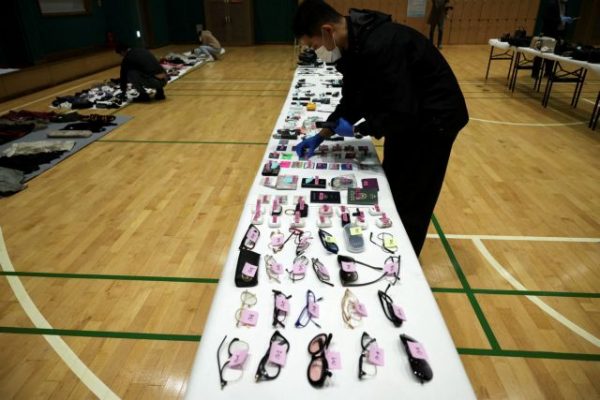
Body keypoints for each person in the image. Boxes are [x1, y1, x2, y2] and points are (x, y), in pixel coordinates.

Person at [293, 0, 468, 256]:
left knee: (413, 194)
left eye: (313, 45)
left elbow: (399, 110)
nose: (315, 52)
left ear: (327, 31)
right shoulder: (354, 45)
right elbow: (353, 100)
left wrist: (361, 129)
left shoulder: (382, 44)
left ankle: (403, 260)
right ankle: (393, 240)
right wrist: (322, 134)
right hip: (410, 115)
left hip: (435, 121)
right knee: (393, 181)